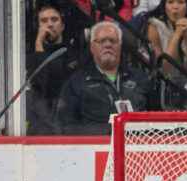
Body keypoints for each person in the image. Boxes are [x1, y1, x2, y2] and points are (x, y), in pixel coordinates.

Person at [56, 21, 154, 135]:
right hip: (94, 148)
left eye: (113, 41)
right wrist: (108, 131)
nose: (108, 45)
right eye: (102, 41)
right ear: (92, 47)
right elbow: (64, 126)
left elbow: (158, 118)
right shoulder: (76, 82)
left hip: (137, 146)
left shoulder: (140, 78)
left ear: (120, 46)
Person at [26, 4, 80, 134]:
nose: (49, 24)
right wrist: (39, 44)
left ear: (62, 26)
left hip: (69, 121)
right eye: (44, 21)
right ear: (37, 27)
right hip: (41, 124)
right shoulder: (29, 57)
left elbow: (60, 84)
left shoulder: (74, 55)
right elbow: (40, 85)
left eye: (54, 19)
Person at [145, 0, 187, 77]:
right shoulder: (155, 26)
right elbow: (163, 69)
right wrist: (177, 34)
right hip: (165, 82)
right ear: (164, 6)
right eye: (170, 2)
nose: (175, 7)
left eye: (180, 2)